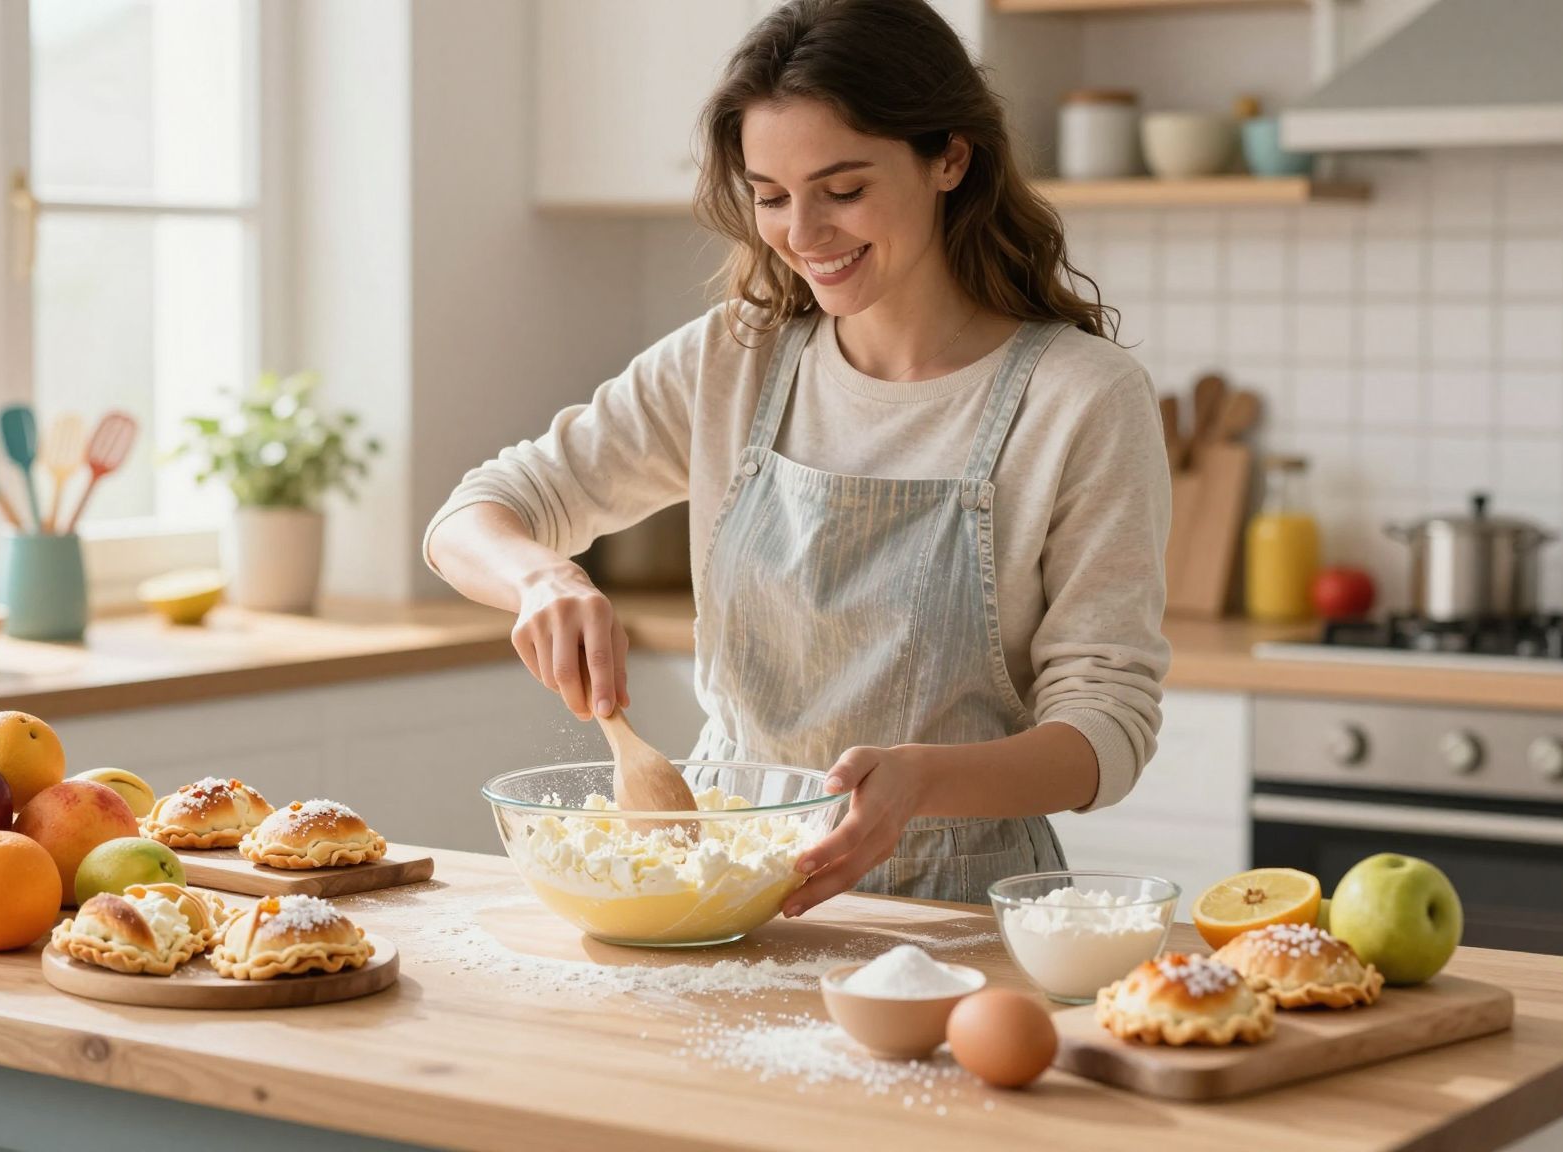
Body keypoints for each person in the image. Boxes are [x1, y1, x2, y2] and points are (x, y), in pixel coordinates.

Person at [425, 0, 1169, 912]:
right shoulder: (735, 358)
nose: (803, 233)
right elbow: (476, 513)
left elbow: (1107, 730)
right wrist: (544, 580)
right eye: (770, 195)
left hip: (955, 922)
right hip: (713, 892)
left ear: (950, 157)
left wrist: (922, 784)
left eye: (844, 189)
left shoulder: (1080, 397)